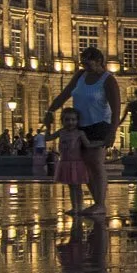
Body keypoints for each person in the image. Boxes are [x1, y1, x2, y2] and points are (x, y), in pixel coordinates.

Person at [45, 47, 122, 217]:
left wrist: (113, 132)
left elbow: (116, 109)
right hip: (81, 126)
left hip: (100, 125)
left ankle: (101, 204)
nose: (86, 66)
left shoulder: (108, 80)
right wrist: (50, 111)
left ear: (99, 61)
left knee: (96, 163)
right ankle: (97, 202)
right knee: (86, 165)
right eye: (83, 63)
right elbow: (65, 94)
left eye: (89, 63)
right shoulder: (80, 75)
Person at [51, 109, 92, 213]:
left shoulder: (79, 133)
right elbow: (48, 138)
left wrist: (102, 143)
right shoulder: (61, 132)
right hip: (65, 162)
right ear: (62, 121)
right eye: (67, 120)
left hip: (76, 162)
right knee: (71, 187)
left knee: (77, 186)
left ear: (77, 121)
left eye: (73, 120)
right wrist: (48, 126)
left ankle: (80, 206)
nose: (70, 122)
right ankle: (75, 207)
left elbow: (88, 145)